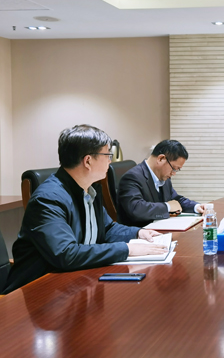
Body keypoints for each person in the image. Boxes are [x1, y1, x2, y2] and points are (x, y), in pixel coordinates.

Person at [3, 125, 165, 294]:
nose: (110, 161)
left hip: (74, 284)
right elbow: (66, 254)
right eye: (108, 155)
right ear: (88, 161)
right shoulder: (48, 199)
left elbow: (107, 228)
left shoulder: (89, 189)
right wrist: (127, 249)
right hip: (37, 292)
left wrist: (138, 233)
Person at [118, 139, 206, 227]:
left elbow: (175, 200)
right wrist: (167, 207)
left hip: (161, 228)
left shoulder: (163, 176)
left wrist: (196, 207)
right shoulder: (132, 177)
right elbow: (136, 209)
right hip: (140, 231)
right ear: (161, 159)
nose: (173, 173)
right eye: (174, 168)